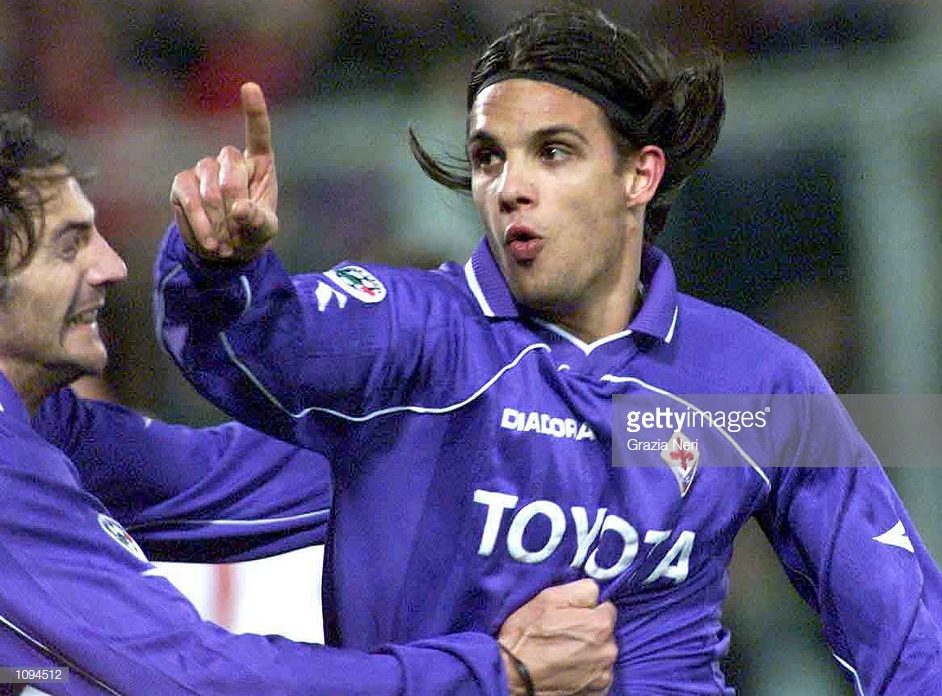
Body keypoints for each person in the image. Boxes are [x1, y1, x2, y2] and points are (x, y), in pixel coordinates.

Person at [157, 7, 942, 694]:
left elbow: (904, 624)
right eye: (490, 157)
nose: (510, 185)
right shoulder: (419, 334)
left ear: (640, 175)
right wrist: (220, 266)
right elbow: (258, 347)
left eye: (553, 152)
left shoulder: (744, 385)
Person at [0, 110, 618, 695]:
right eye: (68, 245)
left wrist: (567, 433)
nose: (111, 266)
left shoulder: (44, 428)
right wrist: (495, 675)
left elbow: (221, 480)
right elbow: (191, 677)